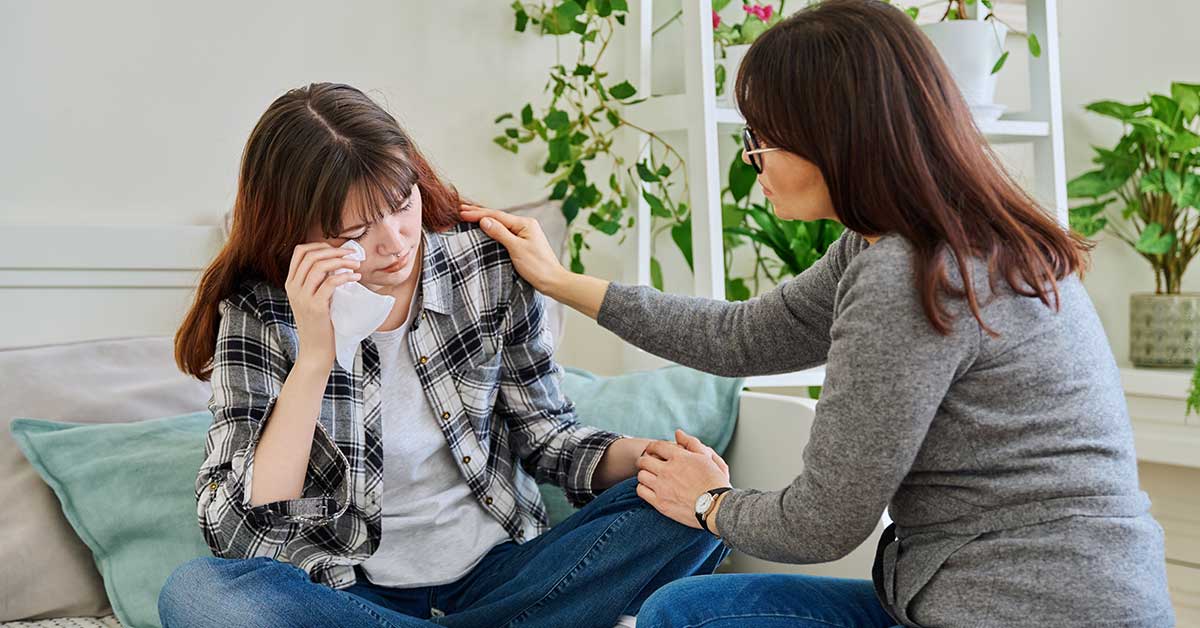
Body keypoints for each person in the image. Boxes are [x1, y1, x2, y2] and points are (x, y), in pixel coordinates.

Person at [459, 1, 1175, 626]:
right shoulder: (901, 242)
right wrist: (559, 281)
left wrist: (709, 503)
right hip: (973, 590)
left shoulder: (916, 272)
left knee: (686, 615)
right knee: (682, 611)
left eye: (761, 138)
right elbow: (738, 336)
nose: (753, 162)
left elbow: (824, 522)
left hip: (1031, 608)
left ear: (835, 134)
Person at [164, 82, 726, 628]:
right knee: (198, 596)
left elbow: (547, 436)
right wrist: (315, 356)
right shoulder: (260, 311)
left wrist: (652, 460)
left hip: (501, 574)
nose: (396, 241)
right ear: (296, 233)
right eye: (355, 229)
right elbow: (238, 531)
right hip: (349, 592)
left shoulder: (484, 264)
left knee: (699, 511)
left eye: (401, 203)